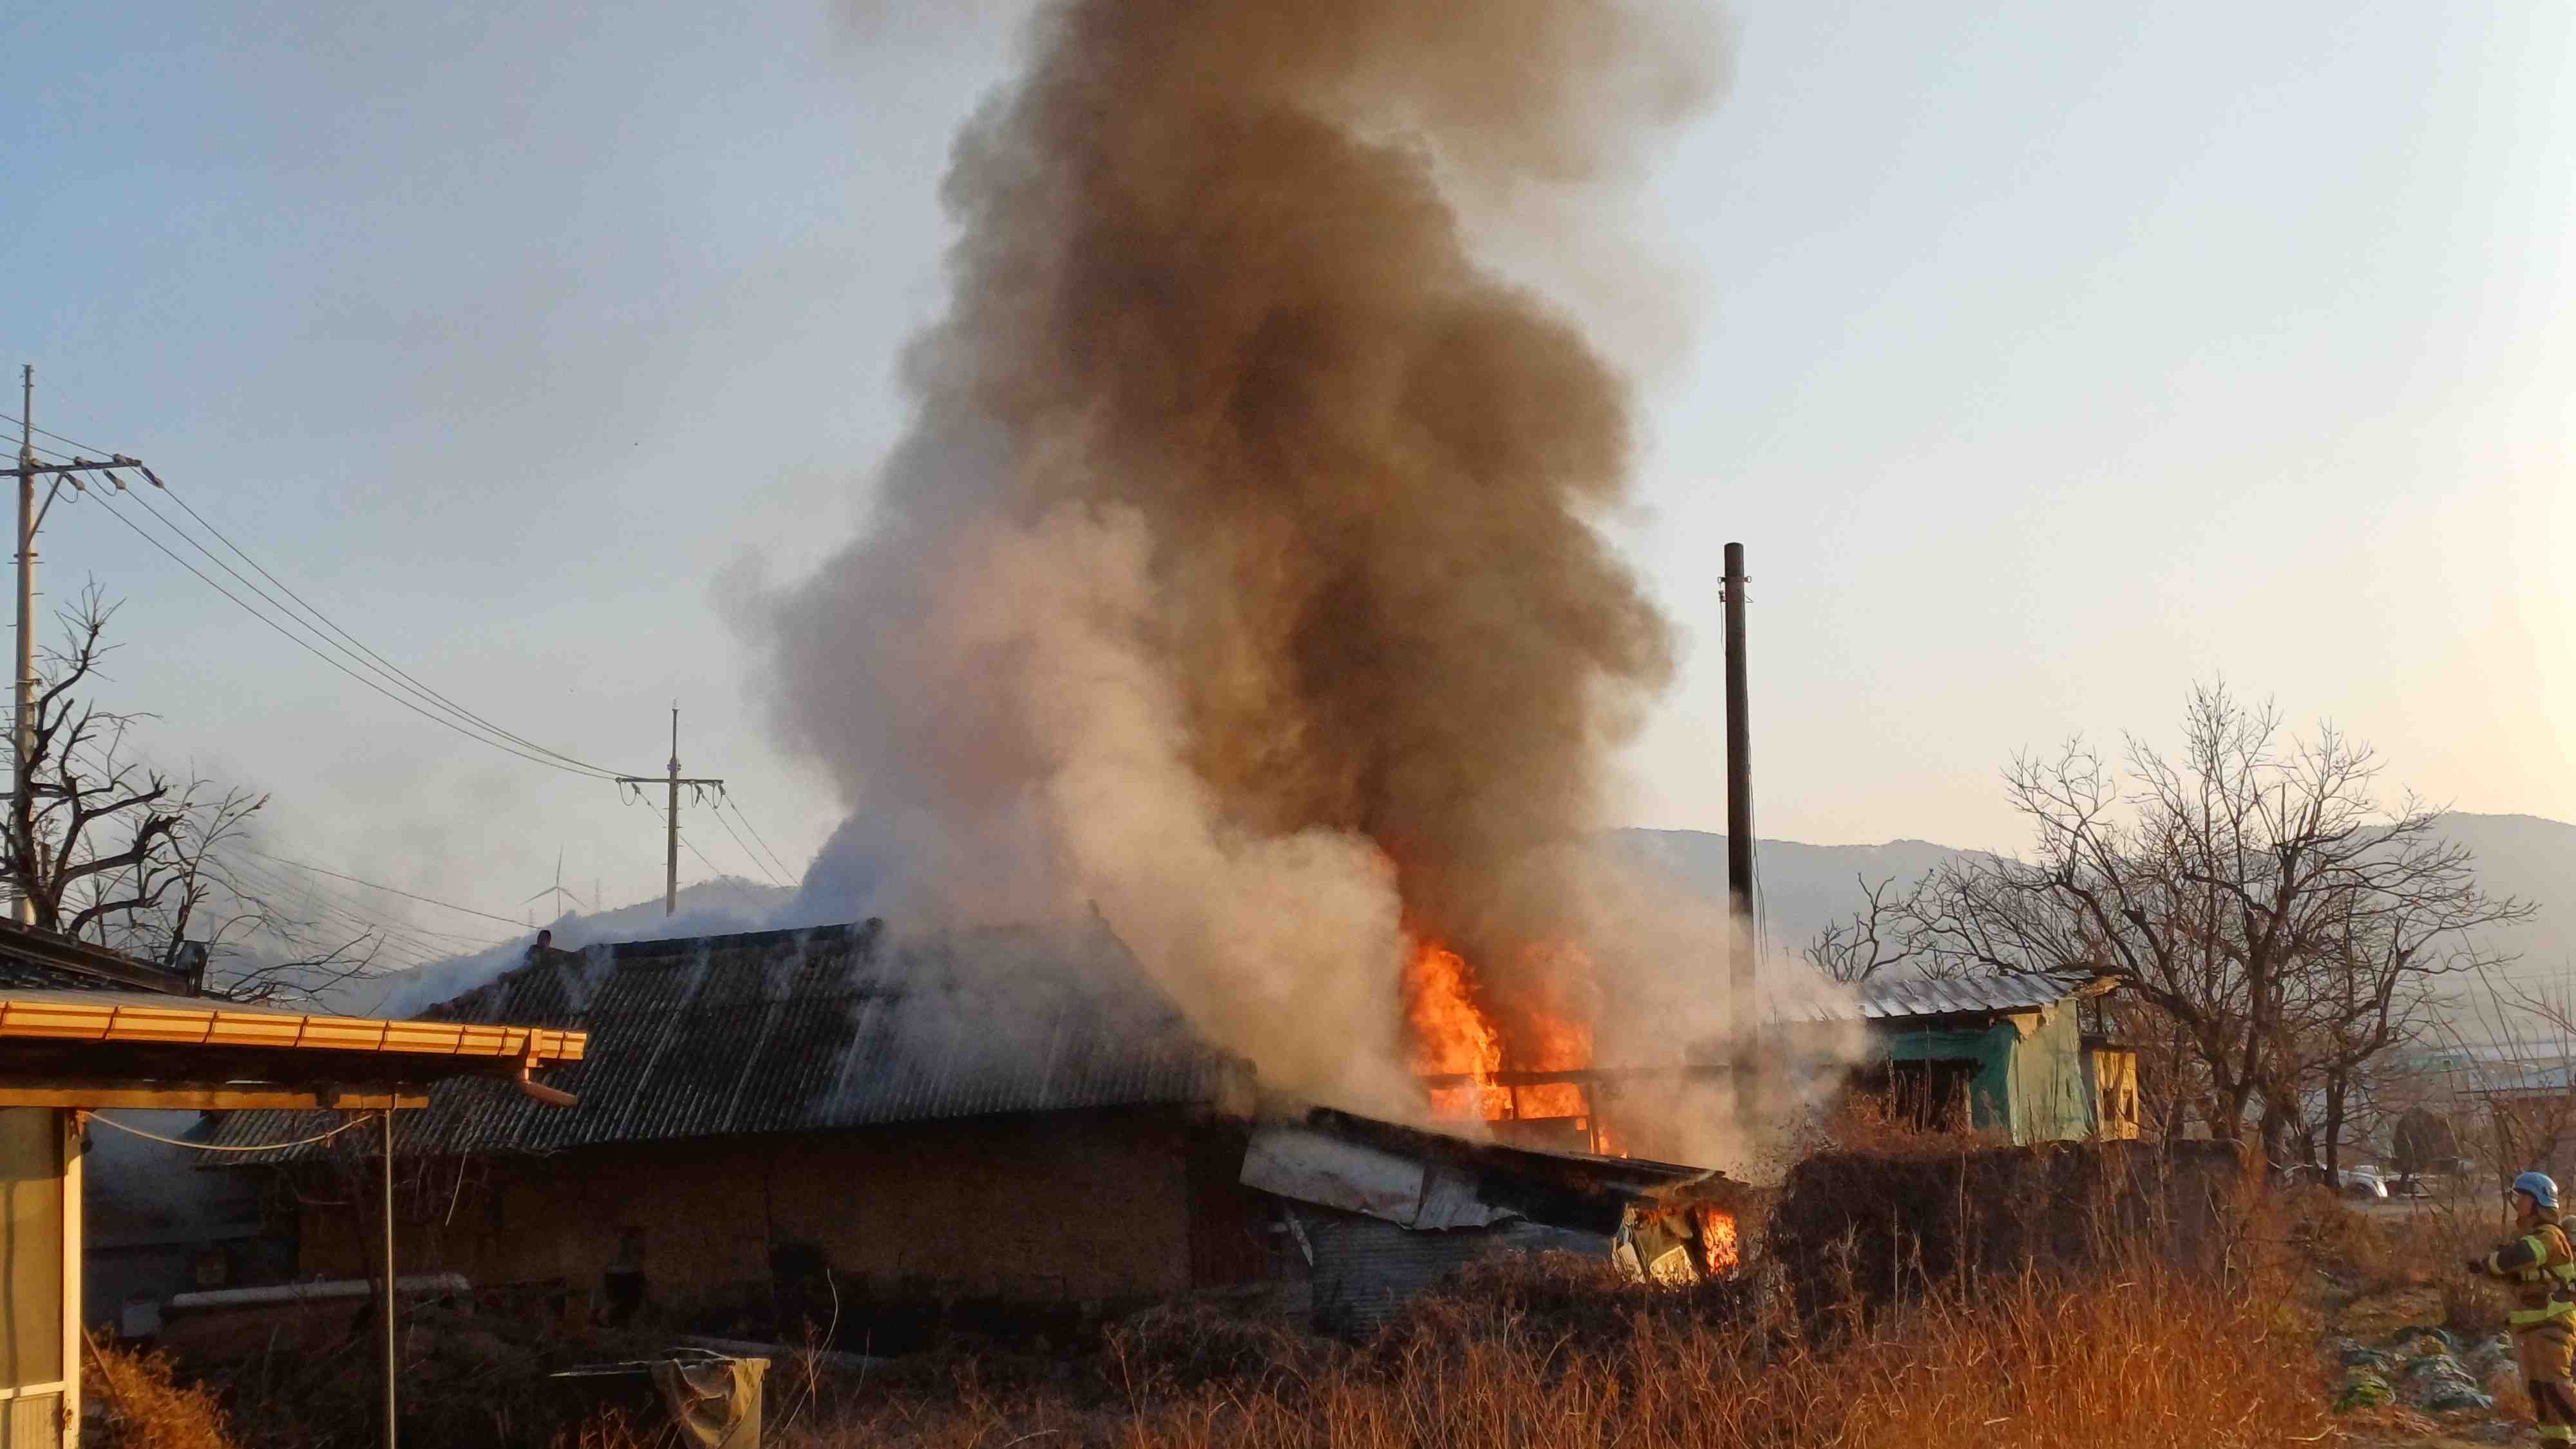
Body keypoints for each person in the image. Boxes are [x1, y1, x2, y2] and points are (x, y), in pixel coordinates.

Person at [2470, 1170, 2576, 1443]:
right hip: (2530, 1327)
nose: (2518, 1203)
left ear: (2538, 1202)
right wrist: (2487, 1268)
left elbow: (2524, 1255)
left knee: (2558, 1389)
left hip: (2552, 1324)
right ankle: (2556, 1443)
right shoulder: (2529, 1237)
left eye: (2523, 1198)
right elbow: (2516, 1271)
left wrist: (2491, 1262)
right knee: (2540, 1392)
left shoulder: (2549, 1235)